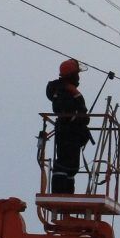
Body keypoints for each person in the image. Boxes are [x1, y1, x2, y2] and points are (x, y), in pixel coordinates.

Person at [46, 59, 92, 194]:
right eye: (77, 74)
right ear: (72, 75)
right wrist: (78, 118)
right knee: (64, 165)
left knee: (71, 166)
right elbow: (64, 111)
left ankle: (67, 192)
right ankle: (60, 193)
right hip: (68, 133)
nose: (79, 77)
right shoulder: (63, 91)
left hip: (71, 134)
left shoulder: (65, 90)